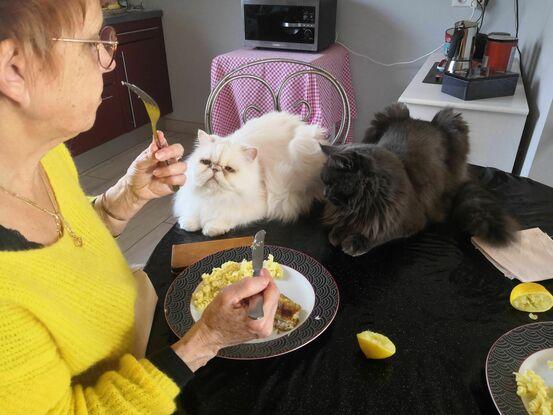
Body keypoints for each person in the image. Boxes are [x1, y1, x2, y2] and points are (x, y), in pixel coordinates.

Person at [0, 1, 280, 413]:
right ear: (14, 68)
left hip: (144, 315)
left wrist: (121, 200)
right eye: (94, 41)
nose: (109, 61)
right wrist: (205, 341)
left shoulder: (46, 155)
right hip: (148, 384)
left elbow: (61, 251)